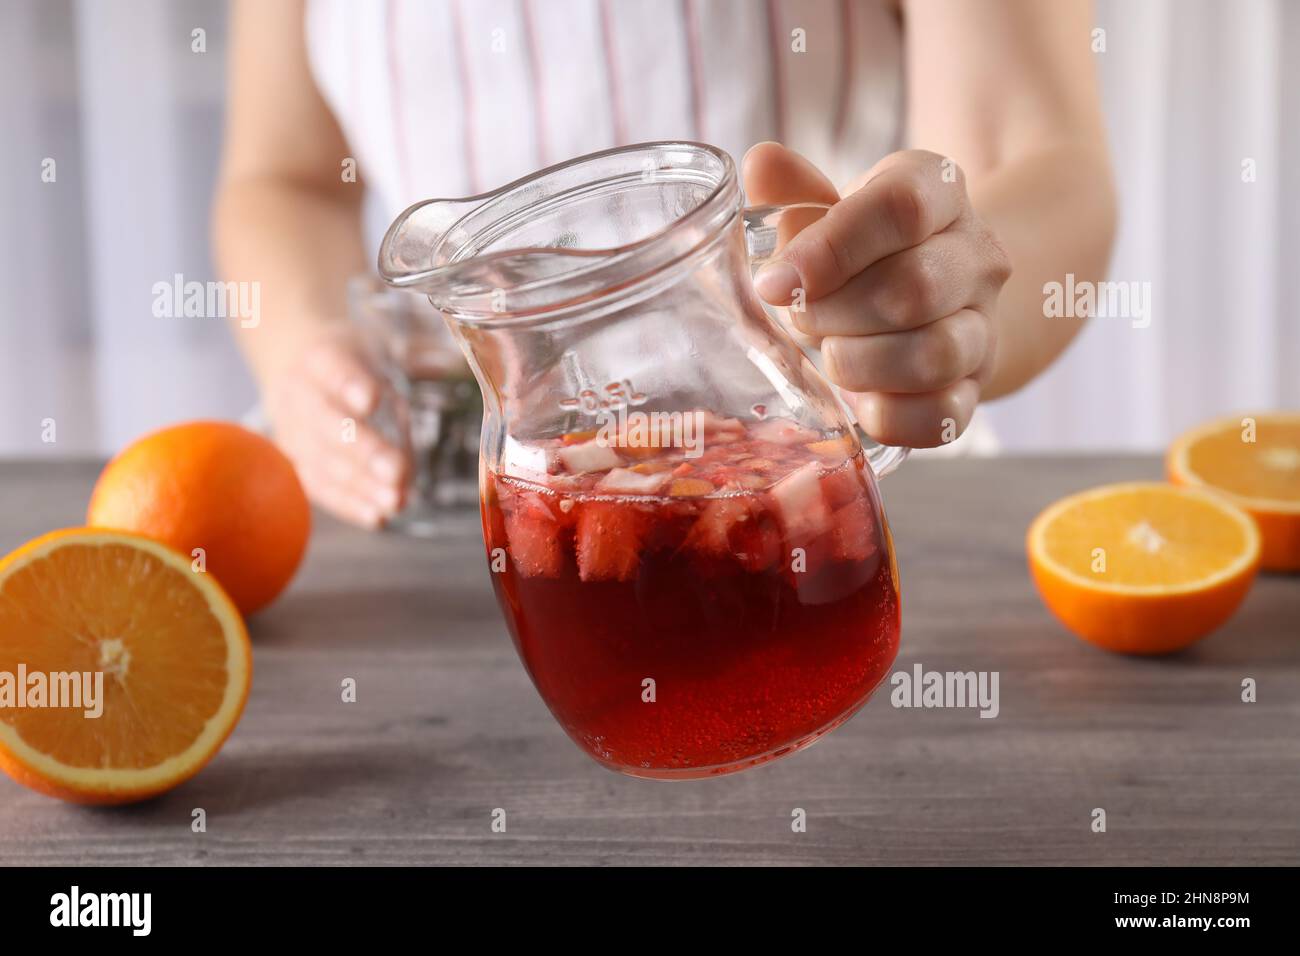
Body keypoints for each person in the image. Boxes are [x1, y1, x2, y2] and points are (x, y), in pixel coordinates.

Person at [214, 0, 1115, 528]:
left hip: (822, 485)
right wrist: (305, 348)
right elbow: (285, 178)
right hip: (442, 501)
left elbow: (1033, 153)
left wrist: (935, 302)